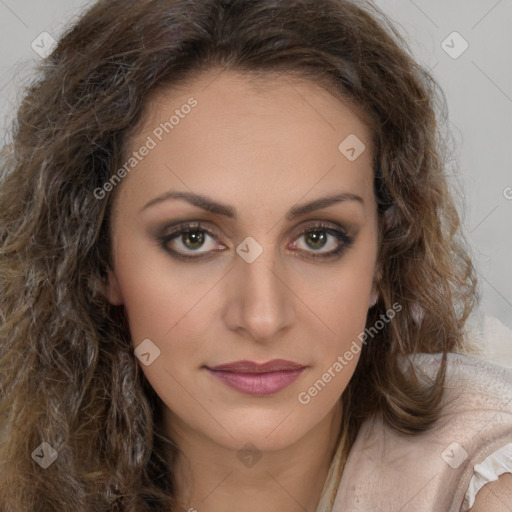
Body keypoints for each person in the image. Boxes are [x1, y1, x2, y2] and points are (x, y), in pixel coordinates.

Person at [0, 0, 511, 510]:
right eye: (194, 239)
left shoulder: (480, 481)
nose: (263, 317)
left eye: (318, 238)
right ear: (98, 260)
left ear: (383, 258)